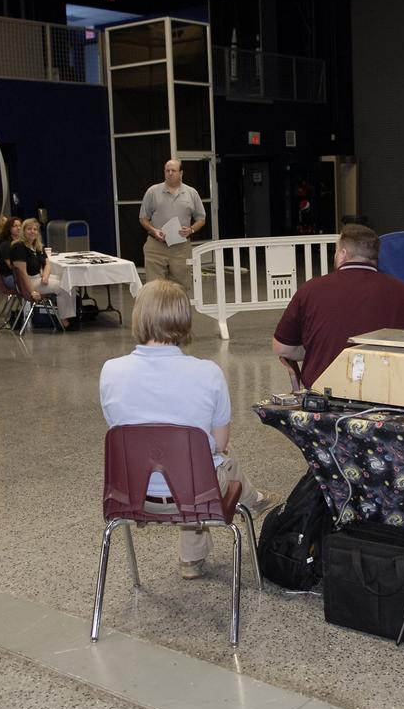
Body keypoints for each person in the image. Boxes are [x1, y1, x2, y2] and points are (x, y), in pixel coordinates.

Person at [99, 279, 276, 579]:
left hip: (132, 494)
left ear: (139, 316)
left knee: (187, 463)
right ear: (184, 319)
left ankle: (195, 556)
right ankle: (253, 500)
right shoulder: (208, 373)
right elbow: (220, 443)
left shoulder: (110, 371)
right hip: (196, 491)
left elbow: (119, 431)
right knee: (214, 465)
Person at [273, 224, 404, 388]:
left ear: (343, 255)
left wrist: (317, 349)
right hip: (388, 393)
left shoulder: (310, 289)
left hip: (324, 397)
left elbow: (282, 348)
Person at [139, 160, 206, 296]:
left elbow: (201, 219)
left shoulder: (191, 193)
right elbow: (143, 218)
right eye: (167, 170)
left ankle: (178, 316)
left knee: (180, 288)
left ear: (181, 173)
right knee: (154, 288)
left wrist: (191, 230)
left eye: (173, 171)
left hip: (180, 247)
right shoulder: (153, 191)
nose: (170, 173)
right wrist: (153, 230)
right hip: (156, 246)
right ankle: (156, 317)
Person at [10, 218, 74, 327]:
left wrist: (45, 276)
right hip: (29, 283)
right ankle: (64, 321)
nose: (32, 231)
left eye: (35, 229)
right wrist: (32, 292)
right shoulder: (19, 247)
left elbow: (48, 262)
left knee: (69, 281)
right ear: (23, 231)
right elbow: (23, 274)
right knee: (64, 286)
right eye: (29, 229)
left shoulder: (37, 246)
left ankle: (68, 316)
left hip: (39, 278)